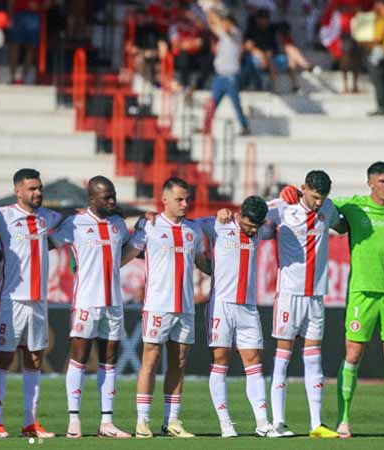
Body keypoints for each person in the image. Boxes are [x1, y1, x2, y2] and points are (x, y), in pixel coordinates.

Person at [281, 162, 384, 439]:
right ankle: (343, 421)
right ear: (370, 182)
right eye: (382, 181)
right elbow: (319, 203)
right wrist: (290, 193)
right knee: (353, 354)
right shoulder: (353, 206)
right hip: (361, 292)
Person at [51, 176, 142, 439]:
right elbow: (48, 243)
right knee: (79, 357)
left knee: (109, 360)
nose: (112, 200)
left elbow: (123, 253)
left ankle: (107, 423)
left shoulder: (118, 224)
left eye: (113, 195)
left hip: (114, 302)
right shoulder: (75, 224)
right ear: (92, 199)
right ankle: (74, 419)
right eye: (106, 197)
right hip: (86, 302)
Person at [0, 168, 62, 438]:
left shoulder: (48, 217)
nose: (37, 193)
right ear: (18, 191)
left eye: (39, 188)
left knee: (35, 359)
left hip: (39, 300)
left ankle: (30, 423)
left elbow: (81, 217)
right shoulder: (1, 216)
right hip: (12, 300)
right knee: (3, 358)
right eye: (32, 189)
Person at [128, 177, 211, 439]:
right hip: (157, 306)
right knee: (150, 361)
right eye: (179, 199)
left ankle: (171, 421)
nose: (185, 204)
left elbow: (201, 262)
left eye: (187, 199)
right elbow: (127, 254)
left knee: (179, 362)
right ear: (164, 199)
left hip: (185, 307)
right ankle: (142, 421)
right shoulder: (150, 226)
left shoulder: (194, 230)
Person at [263, 170, 342, 439]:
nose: (319, 203)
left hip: (316, 296)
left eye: (323, 198)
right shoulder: (282, 207)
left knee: (314, 360)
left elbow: (342, 220)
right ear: (303, 188)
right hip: (289, 294)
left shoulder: (329, 209)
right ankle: (278, 421)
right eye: (315, 196)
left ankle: (316, 424)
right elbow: (254, 218)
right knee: (282, 358)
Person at [202, 196, 280, 438]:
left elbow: (279, 210)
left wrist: (287, 195)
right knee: (221, 361)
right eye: (248, 224)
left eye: (256, 226)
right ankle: (225, 423)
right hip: (221, 306)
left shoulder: (260, 230)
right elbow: (188, 224)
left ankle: (262, 422)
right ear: (239, 215)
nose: (252, 230)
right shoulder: (218, 225)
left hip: (247, 307)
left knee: (254, 361)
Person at [202, 7, 250, 136]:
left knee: (236, 104)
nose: (222, 23)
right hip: (220, 77)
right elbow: (214, 28)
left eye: (224, 20)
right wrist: (209, 15)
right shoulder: (224, 35)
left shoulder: (236, 33)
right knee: (212, 104)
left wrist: (215, 17)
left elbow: (224, 29)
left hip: (230, 77)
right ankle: (206, 127)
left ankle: (245, 126)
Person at [9, 0, 50, 84]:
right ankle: (12, 77)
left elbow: (48, 3)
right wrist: (10, 16)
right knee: (15, 46)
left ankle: (24, 77)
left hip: (33, 16)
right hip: (18, 14)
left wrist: (39, 8)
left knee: (31, 48)